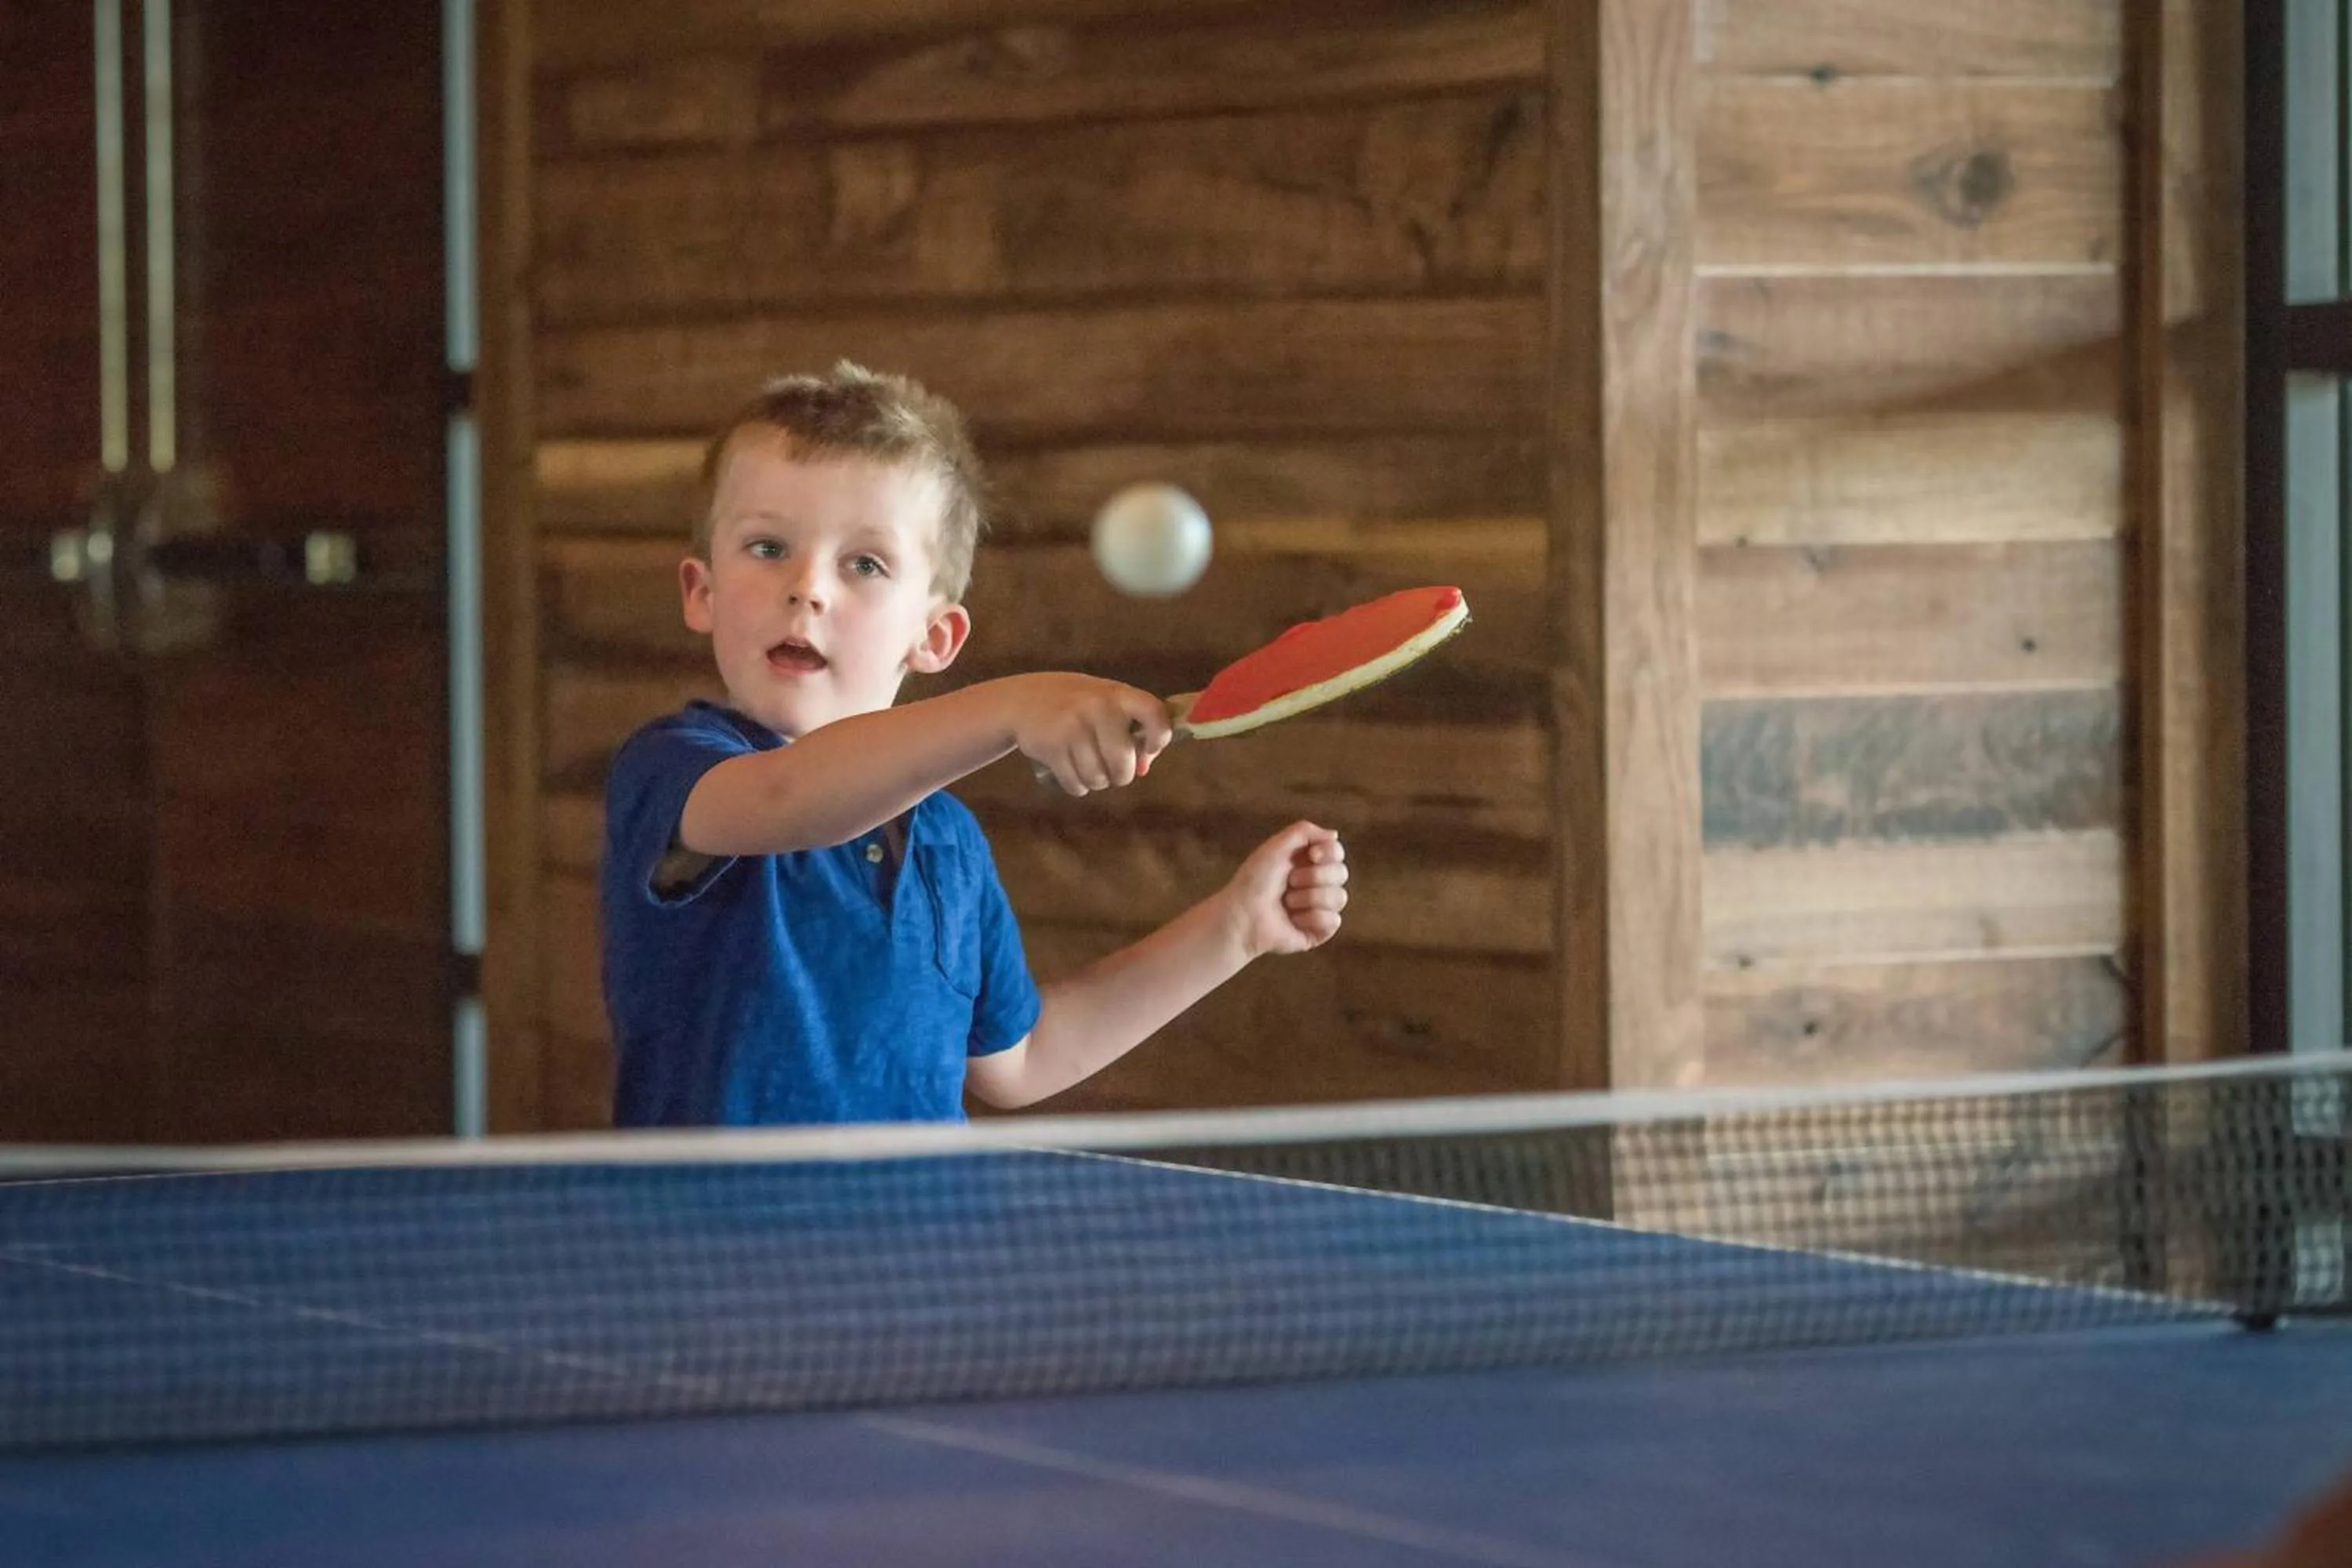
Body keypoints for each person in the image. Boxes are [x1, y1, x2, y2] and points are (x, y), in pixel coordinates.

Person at [600, 361, 1348, 1127]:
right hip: (712, 1243)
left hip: (912, 1243)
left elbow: (1020, 1061)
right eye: (767, 547)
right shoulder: (677, 767)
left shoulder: (948, 845)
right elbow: (787, 796)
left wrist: (1234, 928)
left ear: (935, 635)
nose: (809, 587)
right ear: (702, 592)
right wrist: (1012, 704)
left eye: (864, 562)